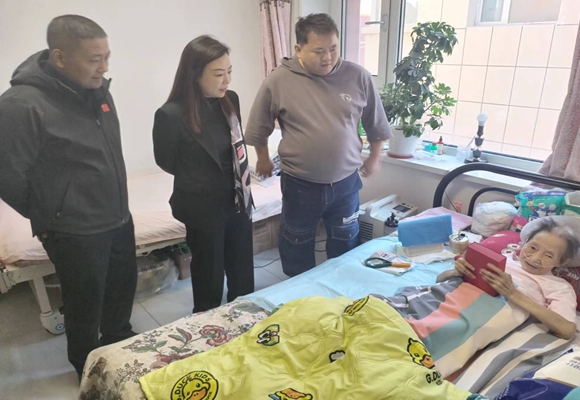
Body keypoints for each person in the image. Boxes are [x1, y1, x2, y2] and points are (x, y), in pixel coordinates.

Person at [0, 15, 137, 378]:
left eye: (107, 57)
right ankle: (88, 369)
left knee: (122, 288)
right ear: (60, 58)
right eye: (95, 59)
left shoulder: (98, 92)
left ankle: (119, 343)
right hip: (73, 229)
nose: (104, 67)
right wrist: (53, 212)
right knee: (84, 304)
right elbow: (7, 175)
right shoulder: (21, 105)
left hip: (117, 215)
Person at [245, 13, 392, 277]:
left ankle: (340, 289)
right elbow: (258, 126)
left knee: (346, 241)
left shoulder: (357, 76)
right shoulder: (279, 80)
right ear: (298, 49)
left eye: (333, 49)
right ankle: (299, 292)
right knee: (297, 242)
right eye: (319, 51)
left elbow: (377, 123)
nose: (328, 57)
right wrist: (263, 158)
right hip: (300, 184)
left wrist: (375, 157)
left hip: (346, 183)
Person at [153, 36, 254, 313]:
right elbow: (166, 162)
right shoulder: (171, 114)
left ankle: (243, 315)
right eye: (219, 74)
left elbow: (237, 146)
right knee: (209, 271)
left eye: (229, 71)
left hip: (238, 198)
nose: (227, 80)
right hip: (202, 205)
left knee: (242, 266)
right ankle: (208, 321)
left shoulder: (230, 100)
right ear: (195, 75)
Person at [439, 218, 580, 339]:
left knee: (439, 331)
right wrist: (457, 272)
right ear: (524, 243)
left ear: (561, 262)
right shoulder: (501, 260)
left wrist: (513, 293)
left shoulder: (559, 286)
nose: (535, 258)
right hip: (446, 300)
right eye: (532, 247)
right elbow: (439, 280)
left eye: (549, 255)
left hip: (474, 316)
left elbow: (567, 330)